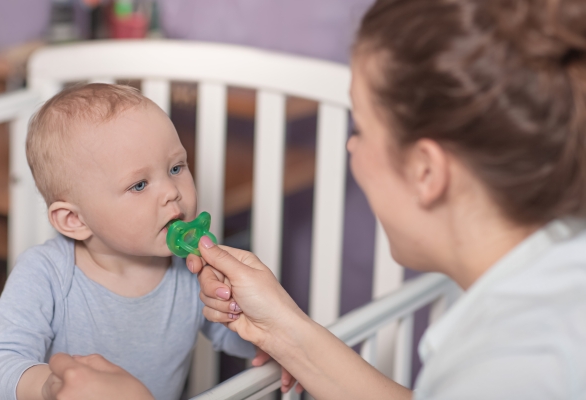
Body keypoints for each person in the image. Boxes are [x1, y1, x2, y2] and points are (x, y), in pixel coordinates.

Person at [188, 0, 586, 398]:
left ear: (425, 171)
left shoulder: (513, 367)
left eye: (360, 127)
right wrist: (286, 331)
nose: (351, 146)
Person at [0, 84, 268, 400]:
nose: (171, 191)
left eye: (175, 167)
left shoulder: (192, 271)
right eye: (139, 185)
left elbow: (241, 339)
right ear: (75, 220)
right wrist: (48, 387)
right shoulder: (46, 274)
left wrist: (252, 319)